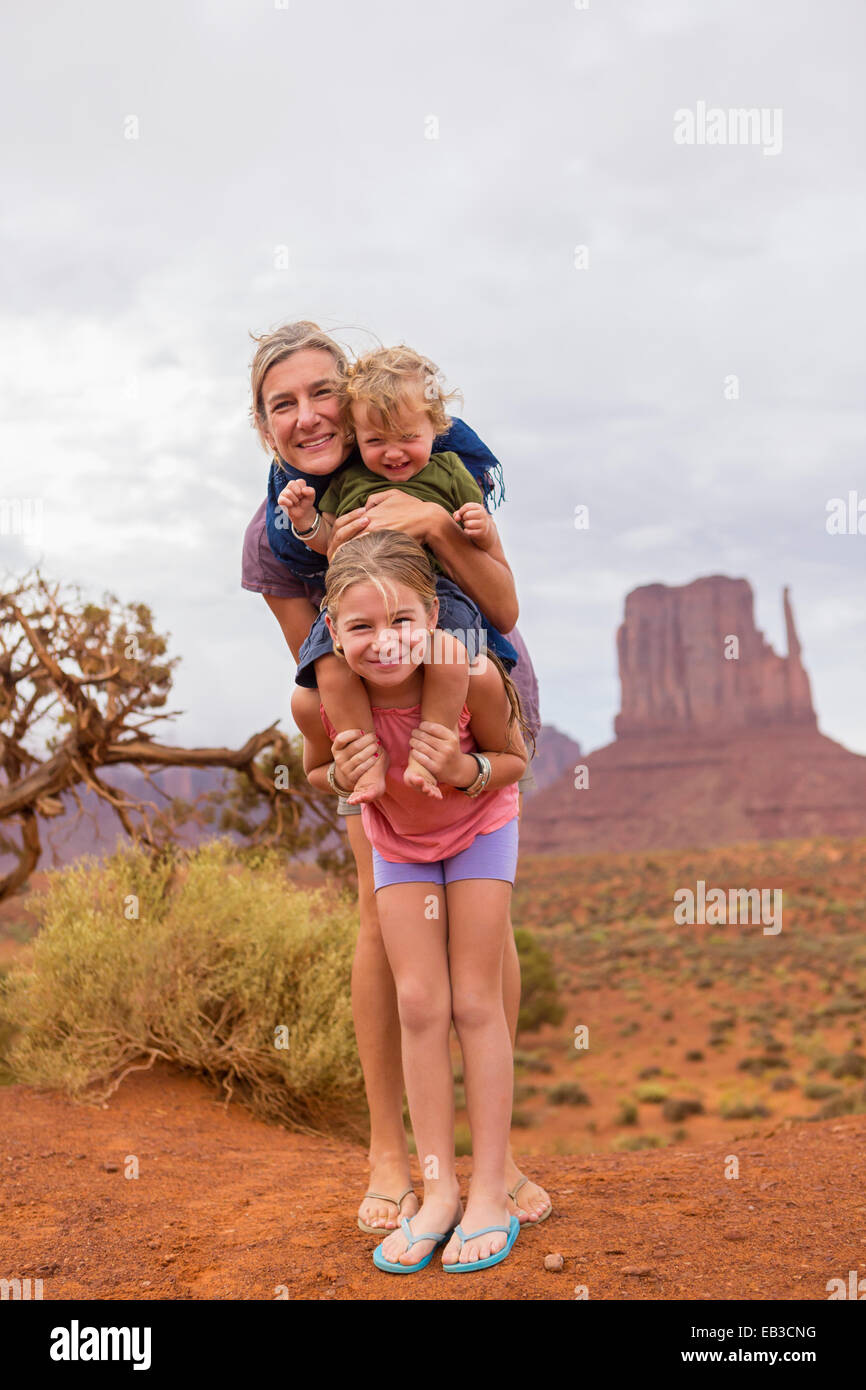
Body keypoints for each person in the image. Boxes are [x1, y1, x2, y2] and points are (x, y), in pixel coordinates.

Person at [241, 321, 552, 1232]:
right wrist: (341, 754)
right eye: (280, 405)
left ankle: (494, 1156)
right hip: (371, 721)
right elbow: (321, 655)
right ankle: (396, 1151)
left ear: (358, 395)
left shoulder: (429, 467)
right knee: (387, 922)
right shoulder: (281, 527)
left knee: (485, 941)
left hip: (477, 692)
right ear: (262, 427)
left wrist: (430, 525)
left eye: (320, 394)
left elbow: (497, 602)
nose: (306, 417)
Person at [292, 530, 529, 1272]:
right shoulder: (317, 701)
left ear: (433, 615)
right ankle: (438, 1193)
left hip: (478, 830)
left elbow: (515, 761)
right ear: (332, 630)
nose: (384, 642)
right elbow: (315, 769)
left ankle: (490, 1188)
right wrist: (338, 778)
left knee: (474, 1002)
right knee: (420, 1004)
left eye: (401, 622)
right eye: (361, 627)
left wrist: (464, 766)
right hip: (398, 842)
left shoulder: (476, 679)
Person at [280, 344, 511, 804]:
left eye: (407, 436)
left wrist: (476, 528)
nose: (392, 453)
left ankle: (435, 744)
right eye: (374, 442)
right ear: (355, 437)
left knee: (455, 654)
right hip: (358, 595)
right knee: (327, 661)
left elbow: (479, 538)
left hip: (436, 590)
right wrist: (307, 521)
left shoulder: (449, 472)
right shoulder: (347, 481)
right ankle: (364, 761)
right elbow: (330, 543)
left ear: (436, 428)